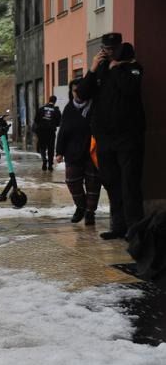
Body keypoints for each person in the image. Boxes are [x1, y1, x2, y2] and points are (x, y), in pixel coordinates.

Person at [77, 33, 145, 240]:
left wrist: (116, 67)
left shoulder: (133, 68)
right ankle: (118, 226)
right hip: (105, 138)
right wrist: (92, 68)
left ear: (120, 47)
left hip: (128, 137)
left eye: (113, 48)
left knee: (130, 184)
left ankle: (135, 229)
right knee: (111, 182)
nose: (109, 52)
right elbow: (82, 94)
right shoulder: (101, 69)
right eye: (106, 48)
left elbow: (130, 89)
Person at [55, 79, 101, 225]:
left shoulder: (95, 106)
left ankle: (90, 212)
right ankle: (81, 207)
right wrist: (59, 151)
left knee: (93, 183)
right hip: (73, 152)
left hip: (92, 152)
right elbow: (63, 131)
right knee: (72, 181)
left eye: (80, 90)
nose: (77, 93)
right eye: (74, 90)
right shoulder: (69, 108)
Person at [33, 95, 62, 171]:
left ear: (49, 100)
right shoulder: (56, 110)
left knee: (42, 147)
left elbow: (36, 120)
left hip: (41, 132)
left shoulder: (41, 109)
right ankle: (50, 165)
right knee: (50, 148)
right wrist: (53, 123)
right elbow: (59, 122)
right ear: (55, 101)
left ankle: (44, 160)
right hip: (51, 132)